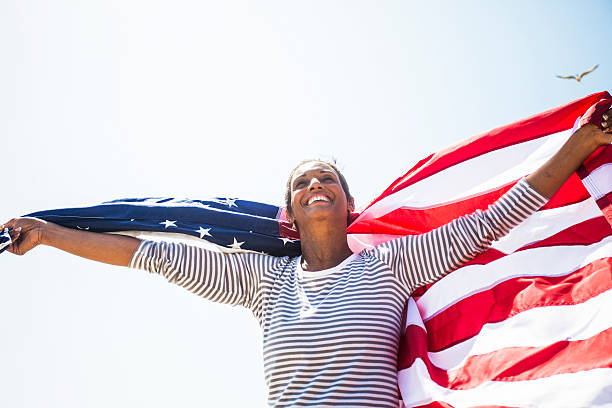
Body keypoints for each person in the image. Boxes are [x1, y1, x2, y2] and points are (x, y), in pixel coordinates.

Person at [3, 112, 611, 407]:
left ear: (350, 204)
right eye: (301, 183)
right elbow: (149, 254)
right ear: (289, 216)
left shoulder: (392, 265)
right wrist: (49, 234)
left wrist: (580, 144)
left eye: (328, 180)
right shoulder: (264, 280)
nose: (315, 185)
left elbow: (497, 217)